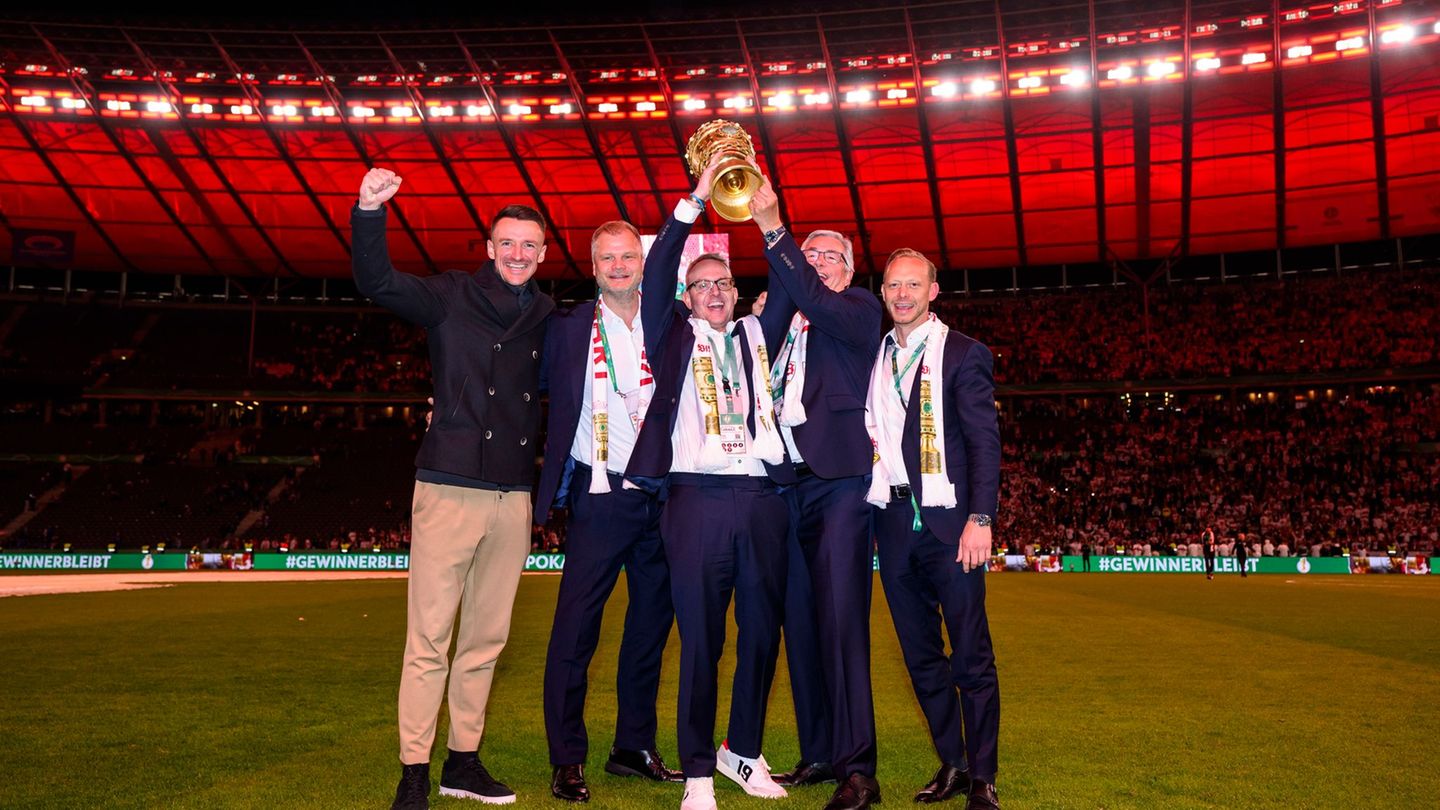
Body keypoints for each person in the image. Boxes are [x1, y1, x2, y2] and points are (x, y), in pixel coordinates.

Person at [353, 168, 556, 810]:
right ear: (488, 248)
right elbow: (377, 282)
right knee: (429, 640)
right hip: (448, 483)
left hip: (512, 493)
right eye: (508, 243)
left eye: (530, 245)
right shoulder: (449, 295)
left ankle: (462, 762)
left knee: (486, 640)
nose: (518, 254)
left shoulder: (550, 313)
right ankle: (414, 770)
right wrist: (368, 212)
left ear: (543, 254)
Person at [625, 159, 796, 810]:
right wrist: (696, 200)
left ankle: (740, 753)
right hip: (694, 498)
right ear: (687, 296)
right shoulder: (668, 336)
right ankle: (697, 770)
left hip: (760, 499)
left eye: (723, 281)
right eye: (702, 284)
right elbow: (658, 268)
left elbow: (787, 285)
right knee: (702, 639)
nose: (715, 291)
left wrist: (767, 219)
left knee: (761, 631)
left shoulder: (758, 333)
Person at [746, 173, 884, 810]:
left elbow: (813, 298)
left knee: (840, 622)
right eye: (812, 253)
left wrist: (776, 231)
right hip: (786, 485)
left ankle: (859, 769)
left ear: (851, 269)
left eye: (831, 254)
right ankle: (820, 750)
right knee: (799, 624)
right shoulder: (787, 326)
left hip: (839, 484)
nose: (819, 261)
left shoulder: (854, 311)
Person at [535, 219, 684, 802]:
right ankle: (567, 756)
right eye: (607, 259)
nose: (619, 266)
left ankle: (632, 747)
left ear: (644, 263)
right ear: (591, 266)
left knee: (650, 630)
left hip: (666, 495)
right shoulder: (566, 328)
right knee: (576, 630)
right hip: (600, 496)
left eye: (628, 256)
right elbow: (518, 380)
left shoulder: (671, 323)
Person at [866, 248, 1003, 810]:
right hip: (893, 522)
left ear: (933, 291)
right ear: (882, 292)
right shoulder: (873, 355)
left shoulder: (964, 354)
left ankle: (983, 778)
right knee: (921, 658)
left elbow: (983, 442)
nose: (902, 294)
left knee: (970, 656)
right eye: (893, 285)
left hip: (952, 525)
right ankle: (952, 761)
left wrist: (981, 517)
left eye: (913, 285)